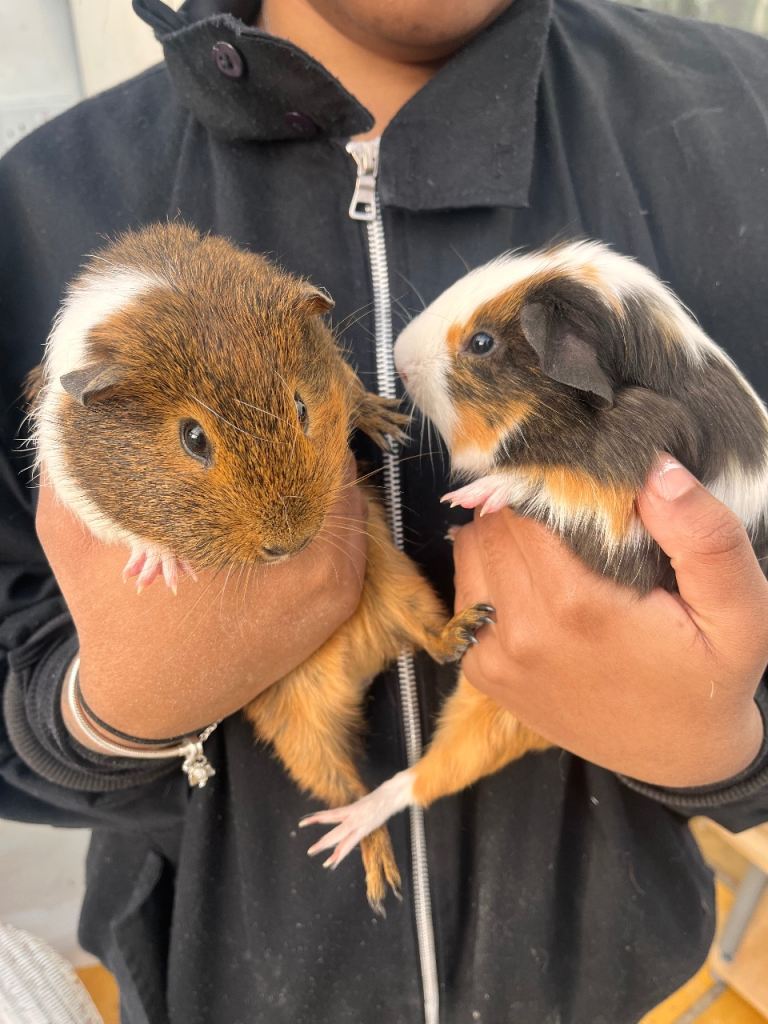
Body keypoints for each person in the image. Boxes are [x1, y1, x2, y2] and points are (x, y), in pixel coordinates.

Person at [1, 0, 768, 1020]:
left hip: (642, 985)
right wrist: (103, 713)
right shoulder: (39, 202)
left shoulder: (740, 118)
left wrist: (724, 748)